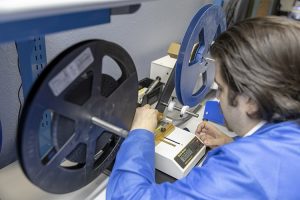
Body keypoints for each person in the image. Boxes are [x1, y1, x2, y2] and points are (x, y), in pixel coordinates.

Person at [106, 16, 300, 199]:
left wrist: (140, 133)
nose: (217, 97)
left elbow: (128, 196)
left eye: (221, 89)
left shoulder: (240, 170)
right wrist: (233, 144)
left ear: (250, 101)